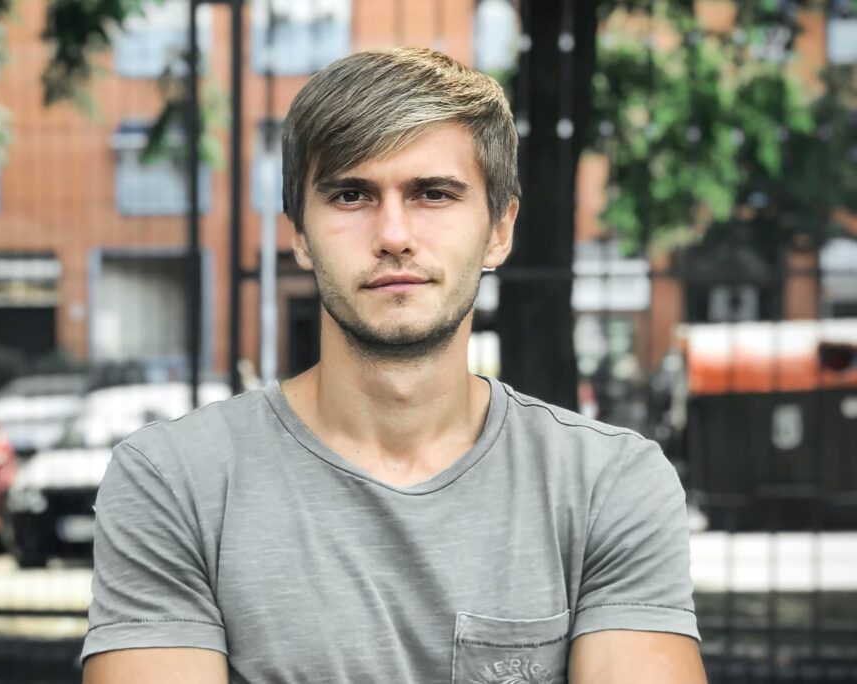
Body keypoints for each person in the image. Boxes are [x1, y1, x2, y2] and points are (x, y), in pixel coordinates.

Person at [81, 47, 707, 683]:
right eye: (351, 195)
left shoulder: (608, 484)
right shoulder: (174, 480)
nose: (394, 234)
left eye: (433, 194)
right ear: (299, 233)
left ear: (499, 228)